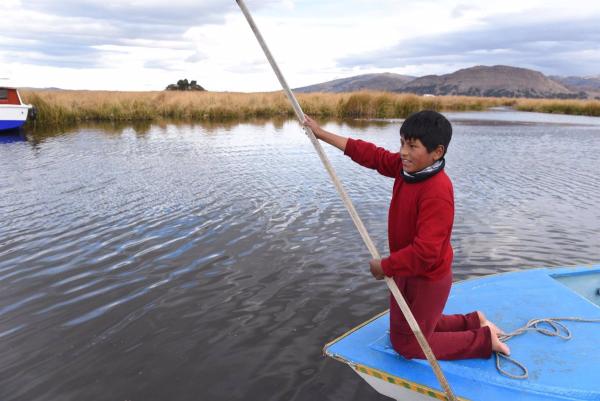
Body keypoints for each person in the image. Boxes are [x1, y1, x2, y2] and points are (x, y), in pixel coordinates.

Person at [303, 110, 510, 360]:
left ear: (437, 152)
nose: (403, 152)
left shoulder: (437, 191)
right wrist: (321, 133)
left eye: (412, 146)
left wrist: (385, 267)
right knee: (403, 332)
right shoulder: (406, 170)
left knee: (408, 346)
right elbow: (373, 155)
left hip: (427, 278)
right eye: (402, 143)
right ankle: (474, 321)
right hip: (405, 268)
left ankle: (484, 340)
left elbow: (426, 253)